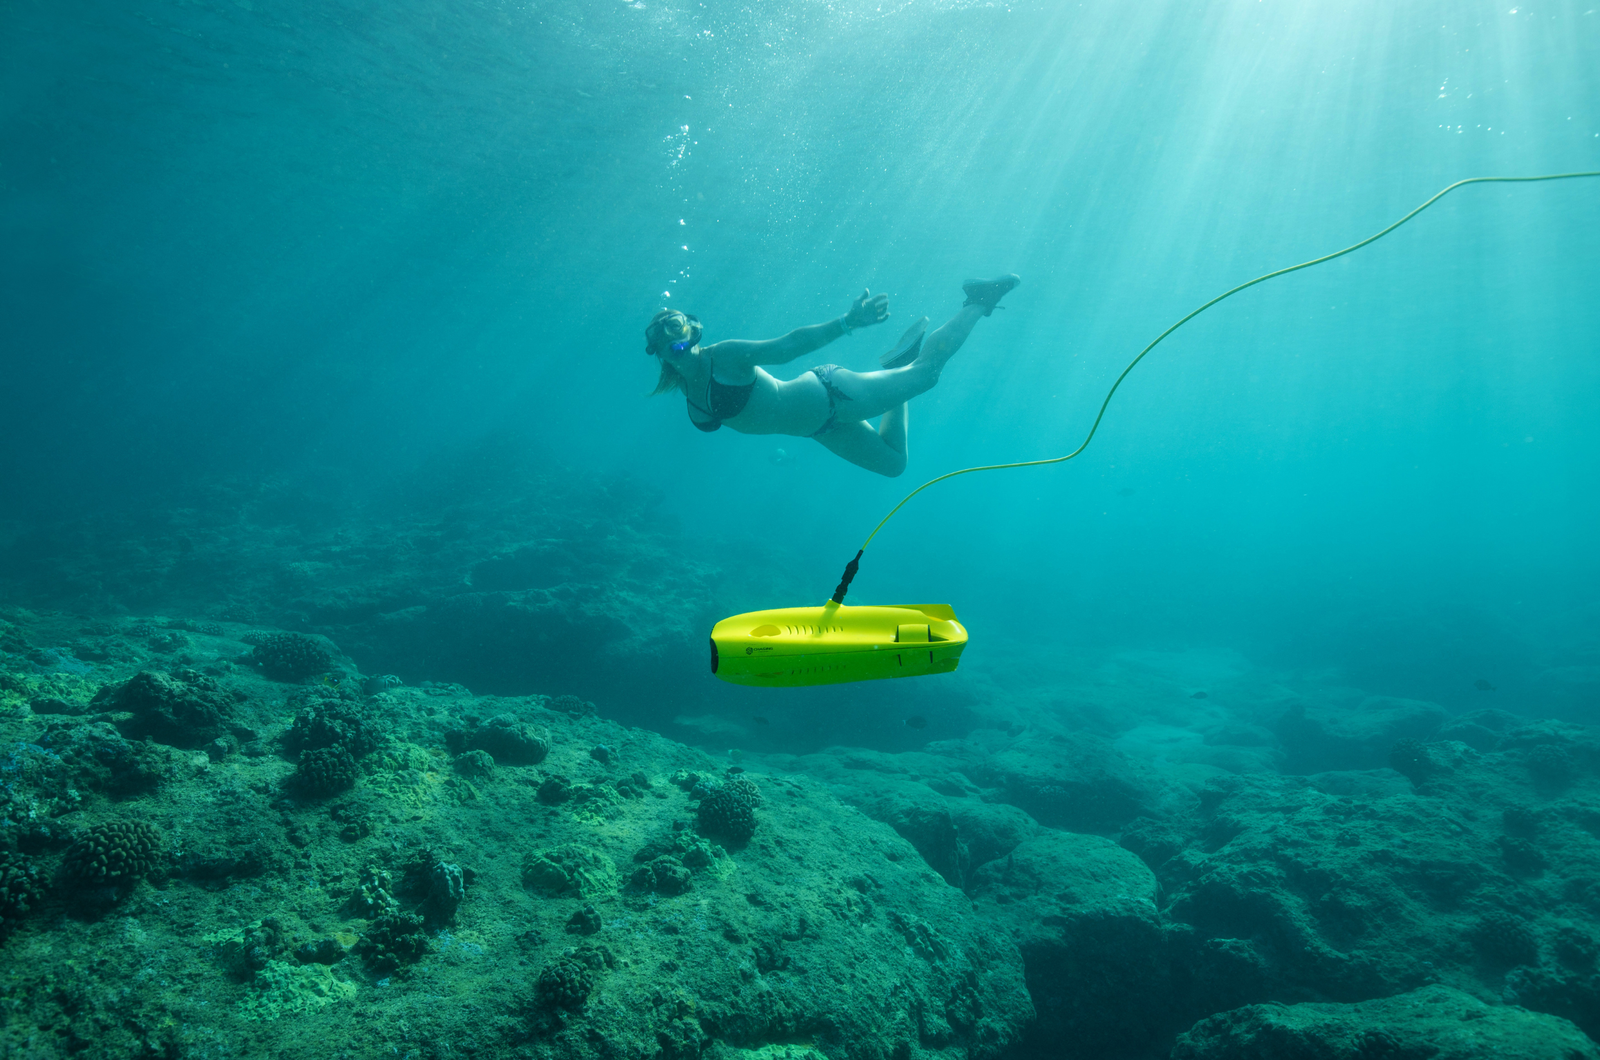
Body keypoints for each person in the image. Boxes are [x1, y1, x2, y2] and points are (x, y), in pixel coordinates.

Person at [643, 275, 1019, 477]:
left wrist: (847, 322)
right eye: (665, 336)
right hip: (820, 428)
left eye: (678, 326)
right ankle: (893, 369)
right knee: (894, 466)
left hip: (830, 393)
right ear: (659, 354)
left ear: (694, 330)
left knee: (926, 376)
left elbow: (789, 345)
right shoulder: (687, 392)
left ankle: (977, 300)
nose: (676, 338)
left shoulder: (723, 356)